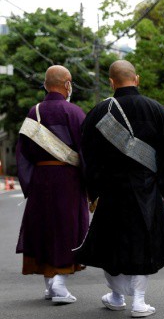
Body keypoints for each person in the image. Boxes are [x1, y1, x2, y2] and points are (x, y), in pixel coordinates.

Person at [75, 60, 164, 317]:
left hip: (111, 190)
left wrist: (94, 190)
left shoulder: (99, 112)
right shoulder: (158, 111)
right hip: (146, 189)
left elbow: (87, 156)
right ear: (138, 79)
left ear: (111, 82)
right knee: (143, 242)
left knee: (110, 243)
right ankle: (139, 301)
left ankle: (115, 295)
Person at [15, 65, 88, 304]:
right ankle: (59, 284)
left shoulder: (32, 112)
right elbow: (86, 152)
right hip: (68, 180)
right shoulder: (75, 113)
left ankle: (49, 284)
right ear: (67, 84)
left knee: (43, 227)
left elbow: (22, 154)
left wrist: (29, 183)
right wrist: (91, 184)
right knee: (67, 228)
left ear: (46, 85)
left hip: (40, 179)